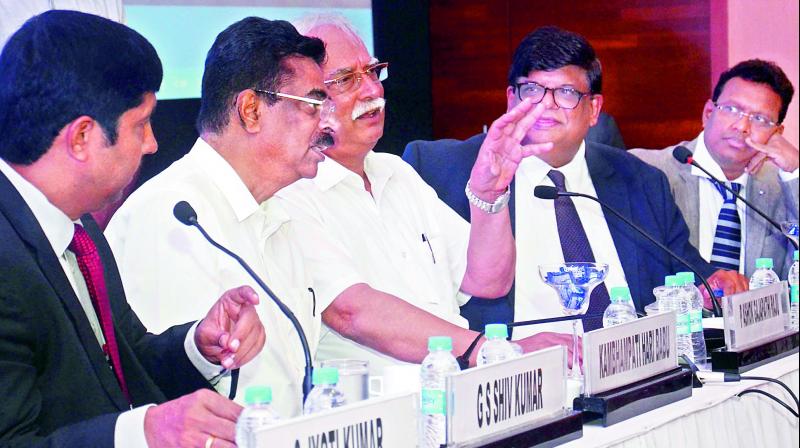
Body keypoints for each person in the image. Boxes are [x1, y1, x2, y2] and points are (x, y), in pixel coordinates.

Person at [0, 10, 265, 447]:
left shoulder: (79, 230)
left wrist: (200, 345)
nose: (152, 144)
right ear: (82, 138)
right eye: (140, 125)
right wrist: (141, 432)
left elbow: (128, 359)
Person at [273, 14, 575, 375]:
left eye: (371, 72)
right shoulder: (288, 192)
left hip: (460, 395)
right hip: (380, 414)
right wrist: (494, 351)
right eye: (346, 80)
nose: (372, 90)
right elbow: (351, 311)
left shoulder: (398, 173)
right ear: (305, 100)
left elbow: (488, 281)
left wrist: (489, 193)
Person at [403, 26, 748, 337]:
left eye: (567, 93)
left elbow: (693, 278)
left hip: (630, 372)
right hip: (511, 375)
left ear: (594, 109)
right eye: (533, 90)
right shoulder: (438, 169)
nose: (547, 106)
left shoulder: (641, 181)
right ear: (511, 99)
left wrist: (713, 286)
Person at [105, 17, 334, 418]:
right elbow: (163, 391)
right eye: (314, 105)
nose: (328, 123)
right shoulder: (170, 217)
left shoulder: (278, 212)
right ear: (251, 110)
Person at [631, 60, 798, 283]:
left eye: (760, 119)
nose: (742, 127)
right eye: (732, 109)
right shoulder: (648, 170)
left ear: (777, 132)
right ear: (708, 113)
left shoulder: (782, 185)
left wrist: (795, 169)